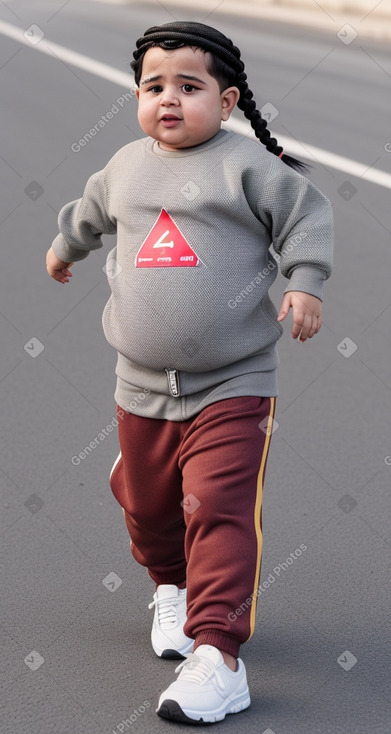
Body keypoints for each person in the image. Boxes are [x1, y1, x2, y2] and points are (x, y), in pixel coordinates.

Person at [46, 20, 333, 725]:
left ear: (228, 100)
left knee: (221, 508)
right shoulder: (122, 166)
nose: (166, 98)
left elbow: (305, 218)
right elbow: (89, 214)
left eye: (188, 86)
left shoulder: (247, 168)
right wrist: (64, 248)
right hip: (139, 385)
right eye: (152, 86)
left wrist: (303, 281)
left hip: (234, 382)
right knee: (148, 507)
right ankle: (168, 584)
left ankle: (218, 656)